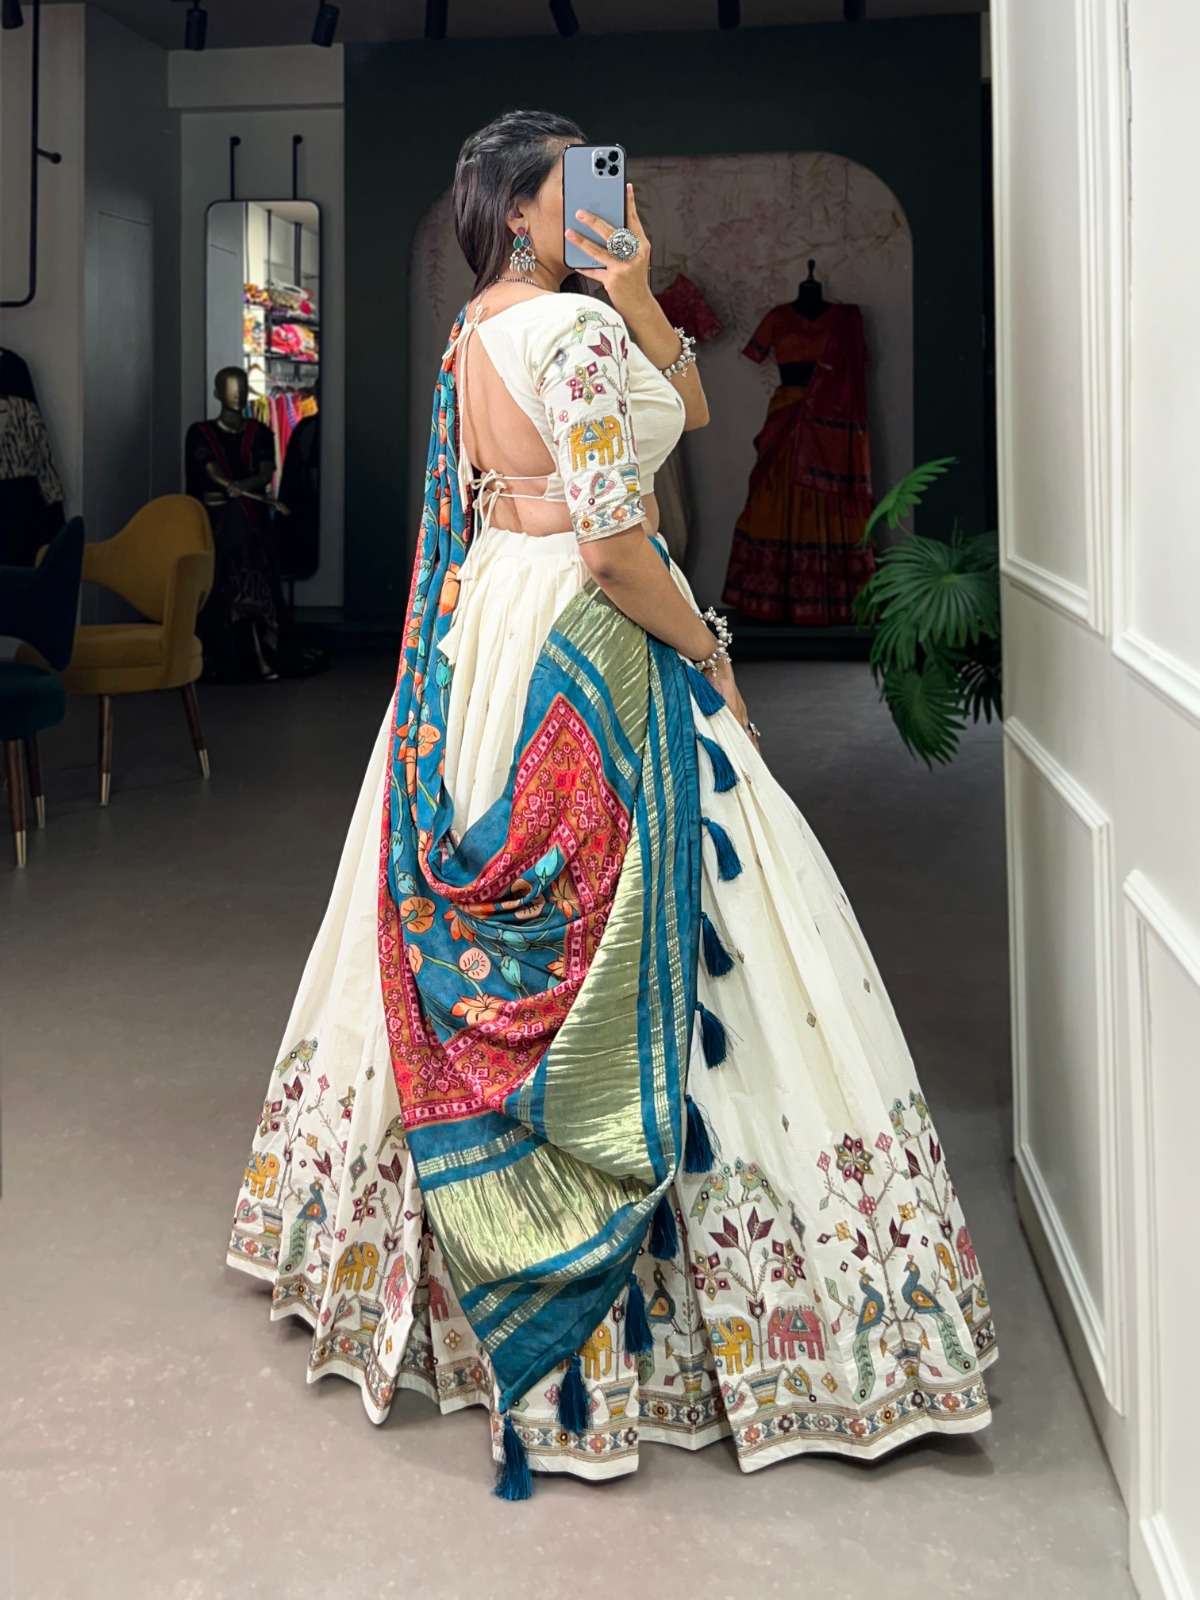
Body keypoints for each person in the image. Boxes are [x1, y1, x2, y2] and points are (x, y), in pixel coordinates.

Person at [226, 110, 998, 1499]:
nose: (605, 198)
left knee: (489, 919)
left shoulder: (483, 328)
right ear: (522, 210)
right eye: (574, 186)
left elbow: (683, 412)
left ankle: (407, 1262)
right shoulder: (565, 335)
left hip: (492, 624)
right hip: (588, 629)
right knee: (665, 921)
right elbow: (614, 542)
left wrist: (637, 290)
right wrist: (713, 649)